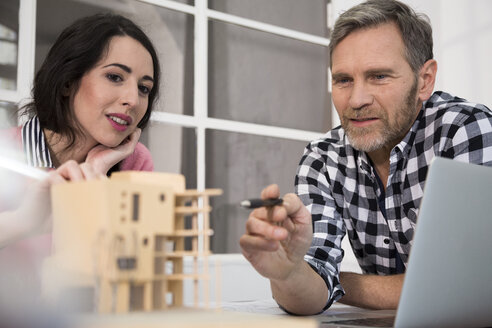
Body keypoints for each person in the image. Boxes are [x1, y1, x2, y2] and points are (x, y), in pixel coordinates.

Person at [239, 0, 492, 315]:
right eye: (343, 79)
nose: (356, 100)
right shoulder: (323, 158)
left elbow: (465, 288)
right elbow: (309, 296)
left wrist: (335, 283)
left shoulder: (465, 129)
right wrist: (289, 273)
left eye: (379, 76)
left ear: (424, 80)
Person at [0, 13, 160, 267]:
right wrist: (22, 222)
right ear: (67, 80)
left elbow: (137, 271)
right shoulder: (5, 155)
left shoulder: (135, 162)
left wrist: (96, 171)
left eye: (144, 88)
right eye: (115, 77)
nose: (133, 99)